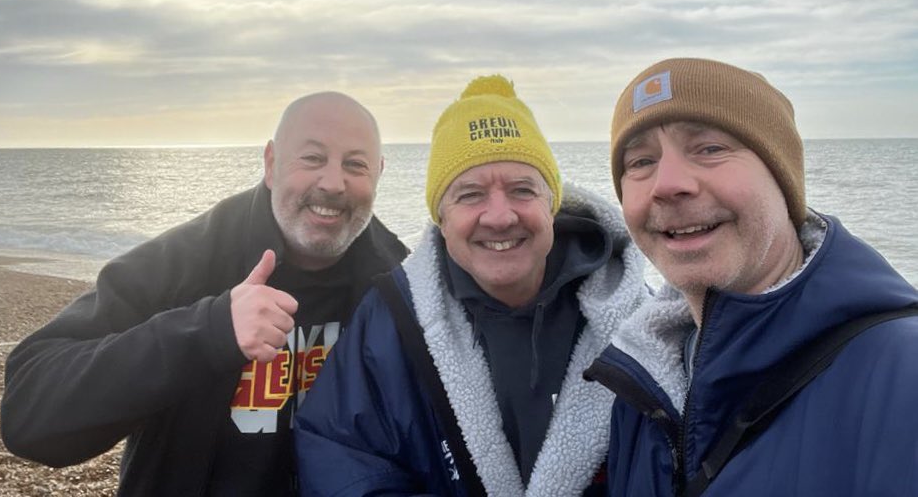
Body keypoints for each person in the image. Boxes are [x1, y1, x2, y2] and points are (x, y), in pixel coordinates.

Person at [0, 92, 408, 497]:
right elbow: (28, 415)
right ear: (271, 164)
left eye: (355, 164)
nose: (333, 183)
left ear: (379, 174)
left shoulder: (400, 286)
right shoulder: (185, 263)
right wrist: (208, 331)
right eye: (313, 158)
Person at [294, 75, 648, 496]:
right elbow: (341, 459)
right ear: (441, 219)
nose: (499, 217)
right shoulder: (391, 323)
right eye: (470, 195)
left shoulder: (634, 319)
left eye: (522, 190)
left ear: (551, 203)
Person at [585, 57, 918, 496]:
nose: (666, 184)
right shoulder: (642, 386)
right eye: (641, 161)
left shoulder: (902, 375)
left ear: (782, 178)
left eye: (709, 149)